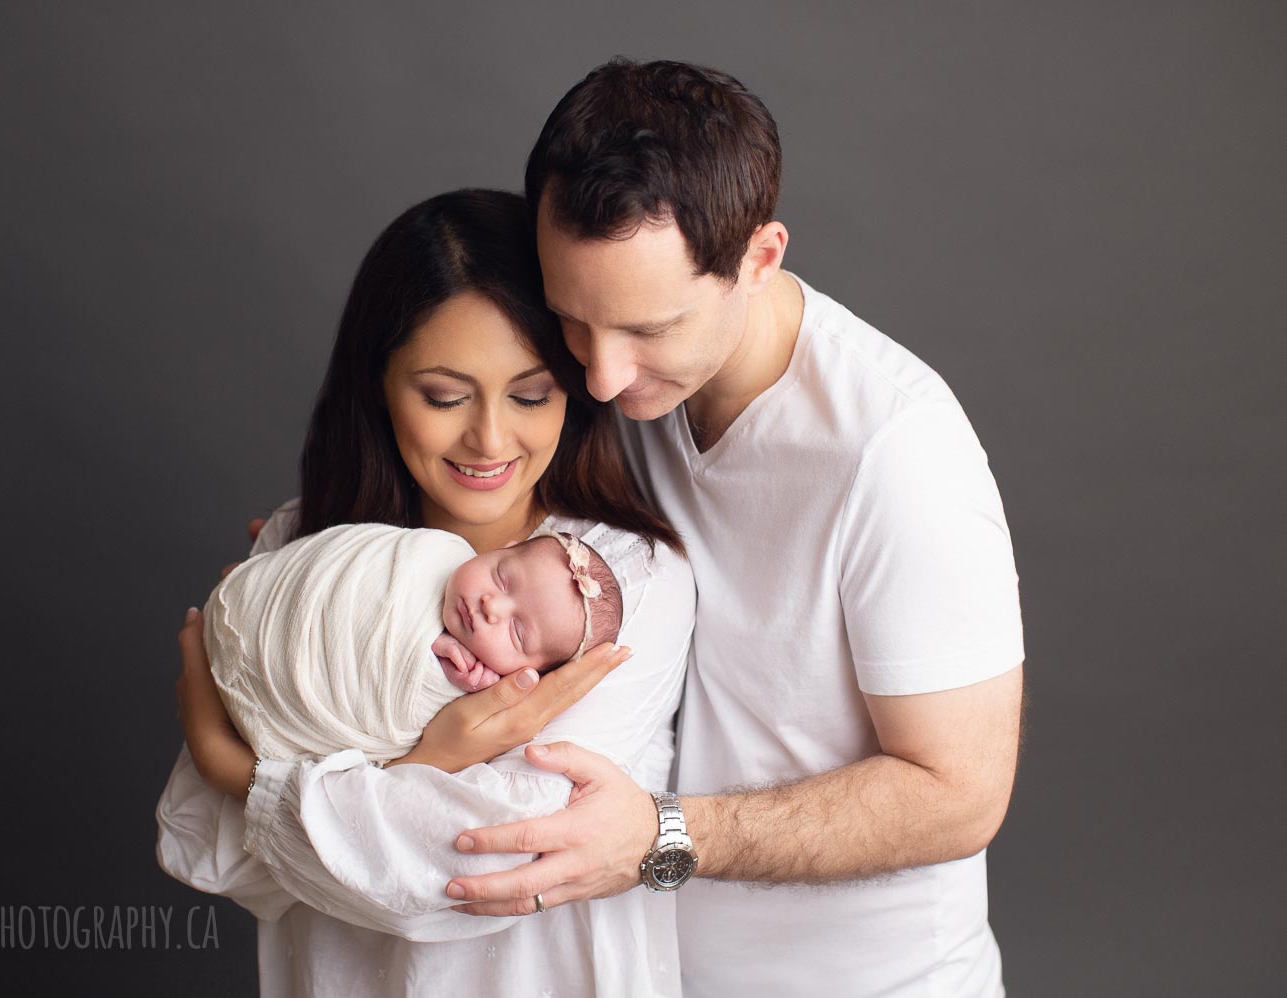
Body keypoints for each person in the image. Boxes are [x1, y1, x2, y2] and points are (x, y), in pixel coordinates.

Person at [442, 60, 1026, 996]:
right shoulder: (613, 386)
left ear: (759, 259)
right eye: (573, 321)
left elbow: (959, 795)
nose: (599, 374)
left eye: (650, 328)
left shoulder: (896, 448)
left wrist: (660, 838)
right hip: (653, 972)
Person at [157, 188, 696, 997]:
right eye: (444, 396)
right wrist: (434, 761)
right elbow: (220, 855)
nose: (488, 438)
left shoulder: (621, 581)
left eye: (531, 394)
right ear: (378, 383)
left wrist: (238, 768)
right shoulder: (312, 548)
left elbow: (491, 860)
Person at [205, 520, 623, 767]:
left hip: (273, 698)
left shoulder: (478, 683)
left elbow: (415, 699)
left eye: (516, 633)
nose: (491, 606)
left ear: (526, 674)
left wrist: (457, 678)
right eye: (502, 576)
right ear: (503, 548)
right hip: (248, 612)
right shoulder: (434, 549)